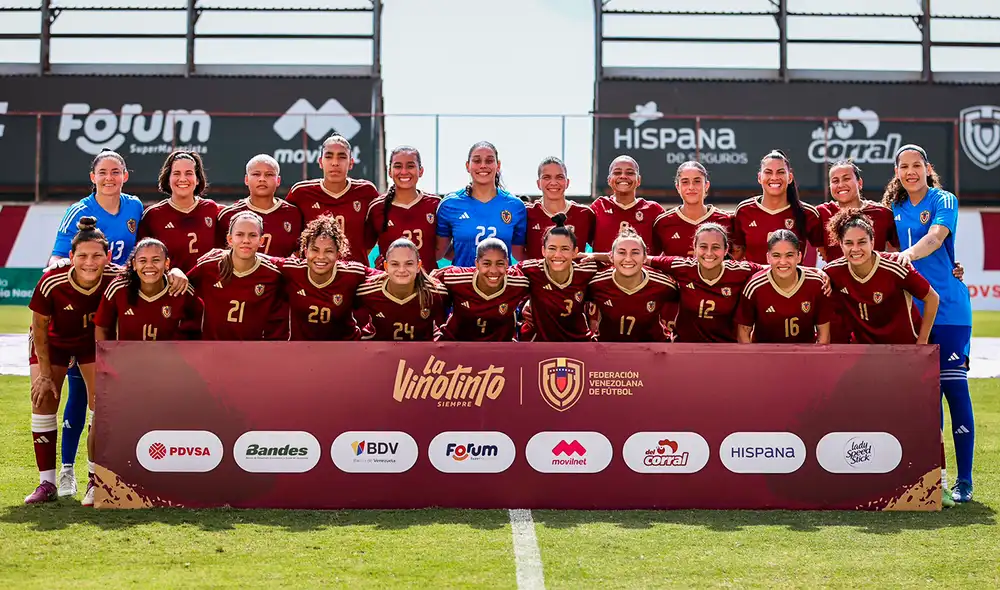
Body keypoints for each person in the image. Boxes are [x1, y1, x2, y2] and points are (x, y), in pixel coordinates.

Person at [46, 149, 144, 499]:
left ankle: (110, 469)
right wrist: (57, 270)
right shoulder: (79, 211)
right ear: (93, 177)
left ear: (125, 176)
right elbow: (59, 255)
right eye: (102, 172)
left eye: (115, 171)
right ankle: (69, 471)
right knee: (80, 391)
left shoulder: (135, 207)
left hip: (120, 307)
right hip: (85, 310)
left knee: (115, 393)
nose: (109, 177)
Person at [884, 144, 975, 504]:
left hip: (949, 309)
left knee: (955, 389)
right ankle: (933, 478)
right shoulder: (893, 208)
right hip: (911, 311)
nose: (910, 172)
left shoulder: (944, 199)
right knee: (924, 398)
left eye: (916, 165)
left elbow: (936, 237)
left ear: (927, 167)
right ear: (896, 172)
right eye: (903, 166)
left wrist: (908, 255)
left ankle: (964, 480)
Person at [25, 217, 117, 506]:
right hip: (53, 345)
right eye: (82, 256)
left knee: (100, 406)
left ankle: (94, 480)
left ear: (108, 255)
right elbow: (39, 327)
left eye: (96, 255)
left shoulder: (118, 278)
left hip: (92, 346)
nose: (90, 262)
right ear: (71, 256)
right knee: (42, 402)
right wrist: (43, 373)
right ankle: (47, 483)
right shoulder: (52, 280)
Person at [648, 224, 764, 343]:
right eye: (703, 247)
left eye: (715, 247)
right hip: (685, 347)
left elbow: (773, 268)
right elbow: (643, 259)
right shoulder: (682, 267)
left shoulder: (740, 271)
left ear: (726, 249)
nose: (709, 253)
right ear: (694, 248)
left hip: (726, 348)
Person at [285, 134, 380, 266]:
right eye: (329, 156)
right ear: (320, 162)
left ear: (351, 163)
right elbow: (290, 236)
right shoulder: (301, 193)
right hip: (313, 275)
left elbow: (372, 238)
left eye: (342, 157)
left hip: (355, 275)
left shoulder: (366, 191)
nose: (335, 163)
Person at [270, 215, 370, 341]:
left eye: (328, 251)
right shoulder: (291, 269)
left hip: (344, 350)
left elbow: (385, 276)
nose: (321, 256)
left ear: (338, 254)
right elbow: (262, 261)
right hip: (302, 350)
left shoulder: (354, 272)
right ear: (305, 252)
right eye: (315, 250)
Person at [186, 212, 283, 340]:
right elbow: (183, 287)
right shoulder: (208, 266)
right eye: (239, 235)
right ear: (230, 239)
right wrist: (175, 272)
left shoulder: (273, 274)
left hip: (252, 353)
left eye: (252, 235)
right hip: (212, 351)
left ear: (261, 240)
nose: (246, 240)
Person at [435, 141, 527, 267]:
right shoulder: (449, 204)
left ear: (498, 165)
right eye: (477, 161)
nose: (483, 165)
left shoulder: (515, 206)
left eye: (489, 161)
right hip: (461, 283)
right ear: (468, 166)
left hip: (501, 283)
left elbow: (520, 254)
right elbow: (440, 251)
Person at [735, 230, 833, 344]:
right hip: (765, 357)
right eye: (776, 255)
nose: (783, 261)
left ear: (799, 256)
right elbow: (743, 334)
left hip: (804, 357)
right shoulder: (754, 287)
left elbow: (824, 336)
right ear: (768, 257)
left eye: (789, 255)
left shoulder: (816, 284)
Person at [94, 238, 202, 341]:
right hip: (127, 358)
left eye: (156, 260)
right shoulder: (119, 288)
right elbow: (102, 327)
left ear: (166, 264)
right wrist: (106, 357)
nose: (149, 265)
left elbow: (197, 328)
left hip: (169, 359)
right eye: (142, 260)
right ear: (134, 264)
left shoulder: (180, 288)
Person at [586, 228, 679, 342]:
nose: (628, 259)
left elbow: (685, 301)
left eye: (635, 252)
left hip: (653, 350)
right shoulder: (596, 283)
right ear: (611, 257)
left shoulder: (663, 284)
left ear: (645, 257)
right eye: (621, 252)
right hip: (607, 350)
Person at [732, 150, 824, 264]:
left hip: (793, 281)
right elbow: (736, 256)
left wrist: (822, 274)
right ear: (759, 177)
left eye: (780, 172)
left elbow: (826, 256)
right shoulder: (744, 210)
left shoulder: (807, 213)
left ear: (790, 177)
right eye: (768, 172)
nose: (774, 177)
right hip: (755, 280)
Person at [138, 151, 222, 274]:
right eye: (176, 173)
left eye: (189, 173)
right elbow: (142, 258)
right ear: (168, 178)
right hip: (170, 289)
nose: (182, 179)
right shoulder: (153, 215)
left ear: (197, 179)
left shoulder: (211, 209)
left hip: (207, 289)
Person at [518, 214, 598, 341]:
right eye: (552, 248)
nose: (558, 255)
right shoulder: (530, 270)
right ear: (543, 251)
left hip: (578, 342)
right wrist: (526, 303)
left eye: (565, 249)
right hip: (537, 342)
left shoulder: (587, 271)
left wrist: (598, 256)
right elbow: (501, 275)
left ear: (575, 252)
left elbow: (618, 263)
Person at [432, 238, 530, 341]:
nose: (493, 270)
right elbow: (429, 282)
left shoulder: (519, 281)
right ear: (477, 264)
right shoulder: (455, 278)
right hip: (457, 345)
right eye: (486, 264)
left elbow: (538, 281)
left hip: (501, 348)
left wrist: (528, 303)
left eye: (500, 263)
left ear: (507, 263)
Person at [365, 146, 441, 273]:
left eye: (410, 166)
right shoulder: (377, 207)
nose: (404, 171)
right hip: (390, 285)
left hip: (428, 284)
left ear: (421, 171)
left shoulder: (435, 204)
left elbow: (444, 248)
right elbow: (363, 250)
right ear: (390, 171)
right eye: (398, 166)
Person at [356, 239, 450, 341]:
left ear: (418, 266)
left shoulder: (437, 293)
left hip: (421, 353)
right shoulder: (367, 291)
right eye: (395, 264)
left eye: (409, 264)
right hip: (377, 352)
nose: (401, 270)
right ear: (386, 267)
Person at [217, 154, 303, 257]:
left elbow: (299, 254)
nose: (262, 179)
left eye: (269, 174)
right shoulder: (228, 215)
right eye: (256, 174)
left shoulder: (294, 214)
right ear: (246, 179)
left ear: (278, 181)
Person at [817, 160, 898, 262]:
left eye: (846, 179)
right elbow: (822, 251)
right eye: (835, 181)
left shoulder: (883, 214)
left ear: (860, 183)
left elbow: (894, 251)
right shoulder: (822, 213)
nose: (841, 185)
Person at [653, 161, 733, 257]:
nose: (691, 187)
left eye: (697, 181)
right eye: (685, 182)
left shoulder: (726, 220)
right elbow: (654, 258)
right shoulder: (663, 222)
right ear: (678, 187)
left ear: (706, 186)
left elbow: (736, 256)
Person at [524, 157, 595, 260]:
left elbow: (600, 248)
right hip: (536, 276)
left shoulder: (584, 214)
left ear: (567, 182)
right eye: (547, 177)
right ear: (538, 183)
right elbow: (518, 251)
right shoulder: (527, 213)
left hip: (575, 275)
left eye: (559, 177)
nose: (553, 182)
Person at [591, 155, 664, 254]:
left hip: (643, 269)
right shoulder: (599, 206)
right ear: (609, 180)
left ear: (638, 180)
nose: (623, 176)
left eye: (630, 173)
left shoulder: (653, 210)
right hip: (604, 269)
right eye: (617, 172)